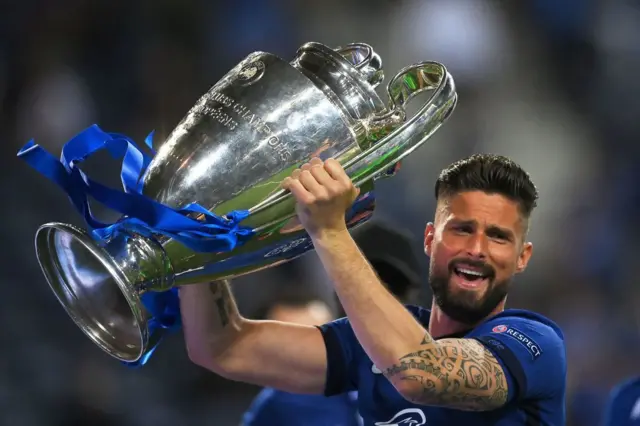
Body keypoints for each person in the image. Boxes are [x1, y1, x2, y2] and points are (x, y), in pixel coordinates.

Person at [180, 154, 567, 425]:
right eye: (462, 229)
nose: (477, 249)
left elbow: (418, 373)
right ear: (430, 239)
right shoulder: (363, 346)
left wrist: (330, 230)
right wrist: (198, 250)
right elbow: (222, 348)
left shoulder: (533, 343)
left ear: (522, 257)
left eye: (498, 237)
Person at [241, 223, 421, 426]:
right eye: (363, 290)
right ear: (338, 297)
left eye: (393, 289)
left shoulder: (444, 385)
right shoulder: (289, 401)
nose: (378, 305)